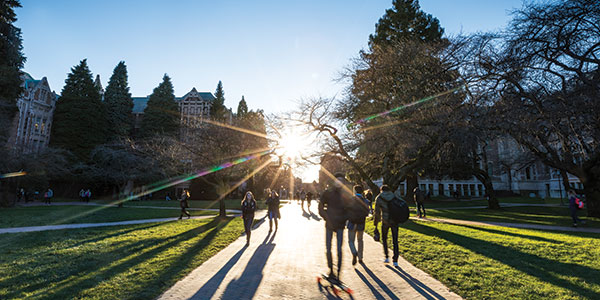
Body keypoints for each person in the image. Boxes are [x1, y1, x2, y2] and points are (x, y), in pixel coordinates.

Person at [319, 173, 350, 280]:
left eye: (342, 180)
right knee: (328, 248)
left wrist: (345, 218)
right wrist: (326, 217)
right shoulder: (328, 193)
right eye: (338, 180)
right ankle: (331, 270)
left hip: (340, 225)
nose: (339, 182)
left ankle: (338, 273)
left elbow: (349, 209)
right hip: (329, 224)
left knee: (339, 250)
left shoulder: (346, 194)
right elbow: (321, 206)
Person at [374, 185, 401, 267]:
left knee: (384, 239)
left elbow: (377, 212)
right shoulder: (395, 196)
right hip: (394, 220)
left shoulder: (379, 198)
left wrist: (376, 223)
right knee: (395, 240)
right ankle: (395, 259)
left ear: (381, 190)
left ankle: (386, 256)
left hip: (385, 221)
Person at [347, 185, 370, 265]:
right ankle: (360, 257)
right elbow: (367, 212)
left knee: (351, 241)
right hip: (361, 222)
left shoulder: (350, 200)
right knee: (360, 240)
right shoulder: (366, 201)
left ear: (355, 191)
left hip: (352, 223)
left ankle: (354, 252)